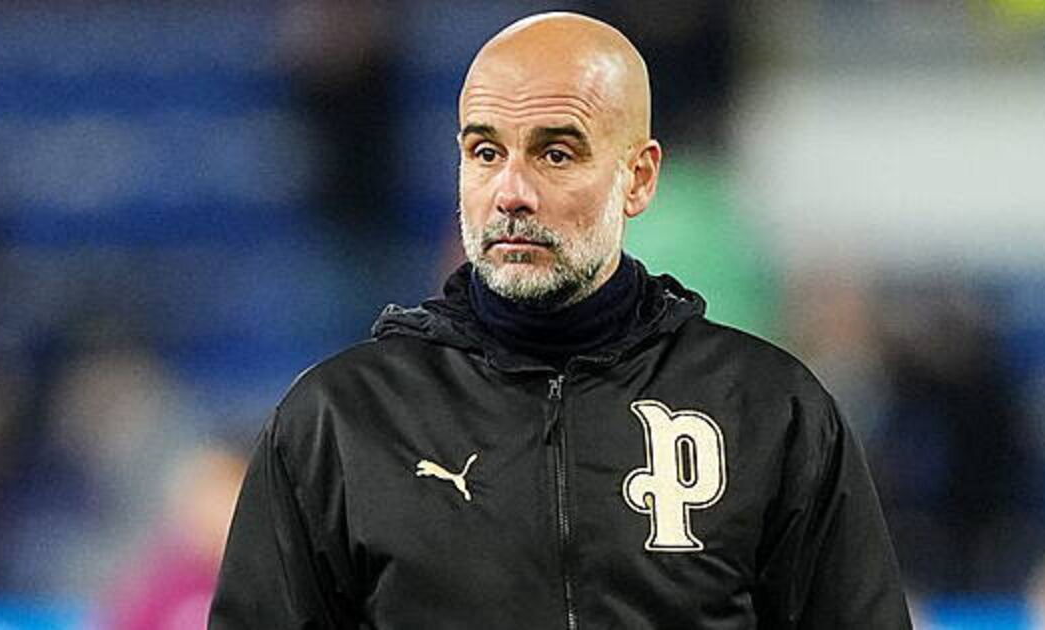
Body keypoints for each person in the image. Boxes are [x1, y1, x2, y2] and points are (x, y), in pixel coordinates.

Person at [209, 12, 910, 629]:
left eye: (556, 153)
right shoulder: (340, 420)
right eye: (486, 152)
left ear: (638, 178)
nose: (512, 191)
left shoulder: (768, 408)